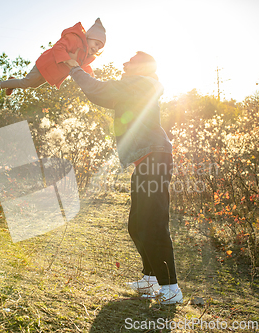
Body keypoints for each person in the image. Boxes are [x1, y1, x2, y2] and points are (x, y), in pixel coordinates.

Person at [65, 51, 182, 305]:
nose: (124, 64)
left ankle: (171, 287)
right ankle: (150, 278)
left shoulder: (140, 83)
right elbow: (101, 92)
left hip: (155, 160)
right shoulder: (136, 86)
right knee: (137, 225)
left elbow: (98, 91)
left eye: (129, 62)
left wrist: (75, 69)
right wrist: (84, 73)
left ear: (141, 67)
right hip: (147, 161)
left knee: (153, 224)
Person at [0, 18, 106, 98]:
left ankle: (12, 83)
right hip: (46, 64)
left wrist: (92, 78)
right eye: (96, 43)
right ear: (89, 37)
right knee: (26, 82)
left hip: (51, 73)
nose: (96, 48)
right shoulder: (75, 39)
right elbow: (58, 48)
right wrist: (67, 59)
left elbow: (85, 67)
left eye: (99, 47)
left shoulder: (85, 57)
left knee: (31, 85)